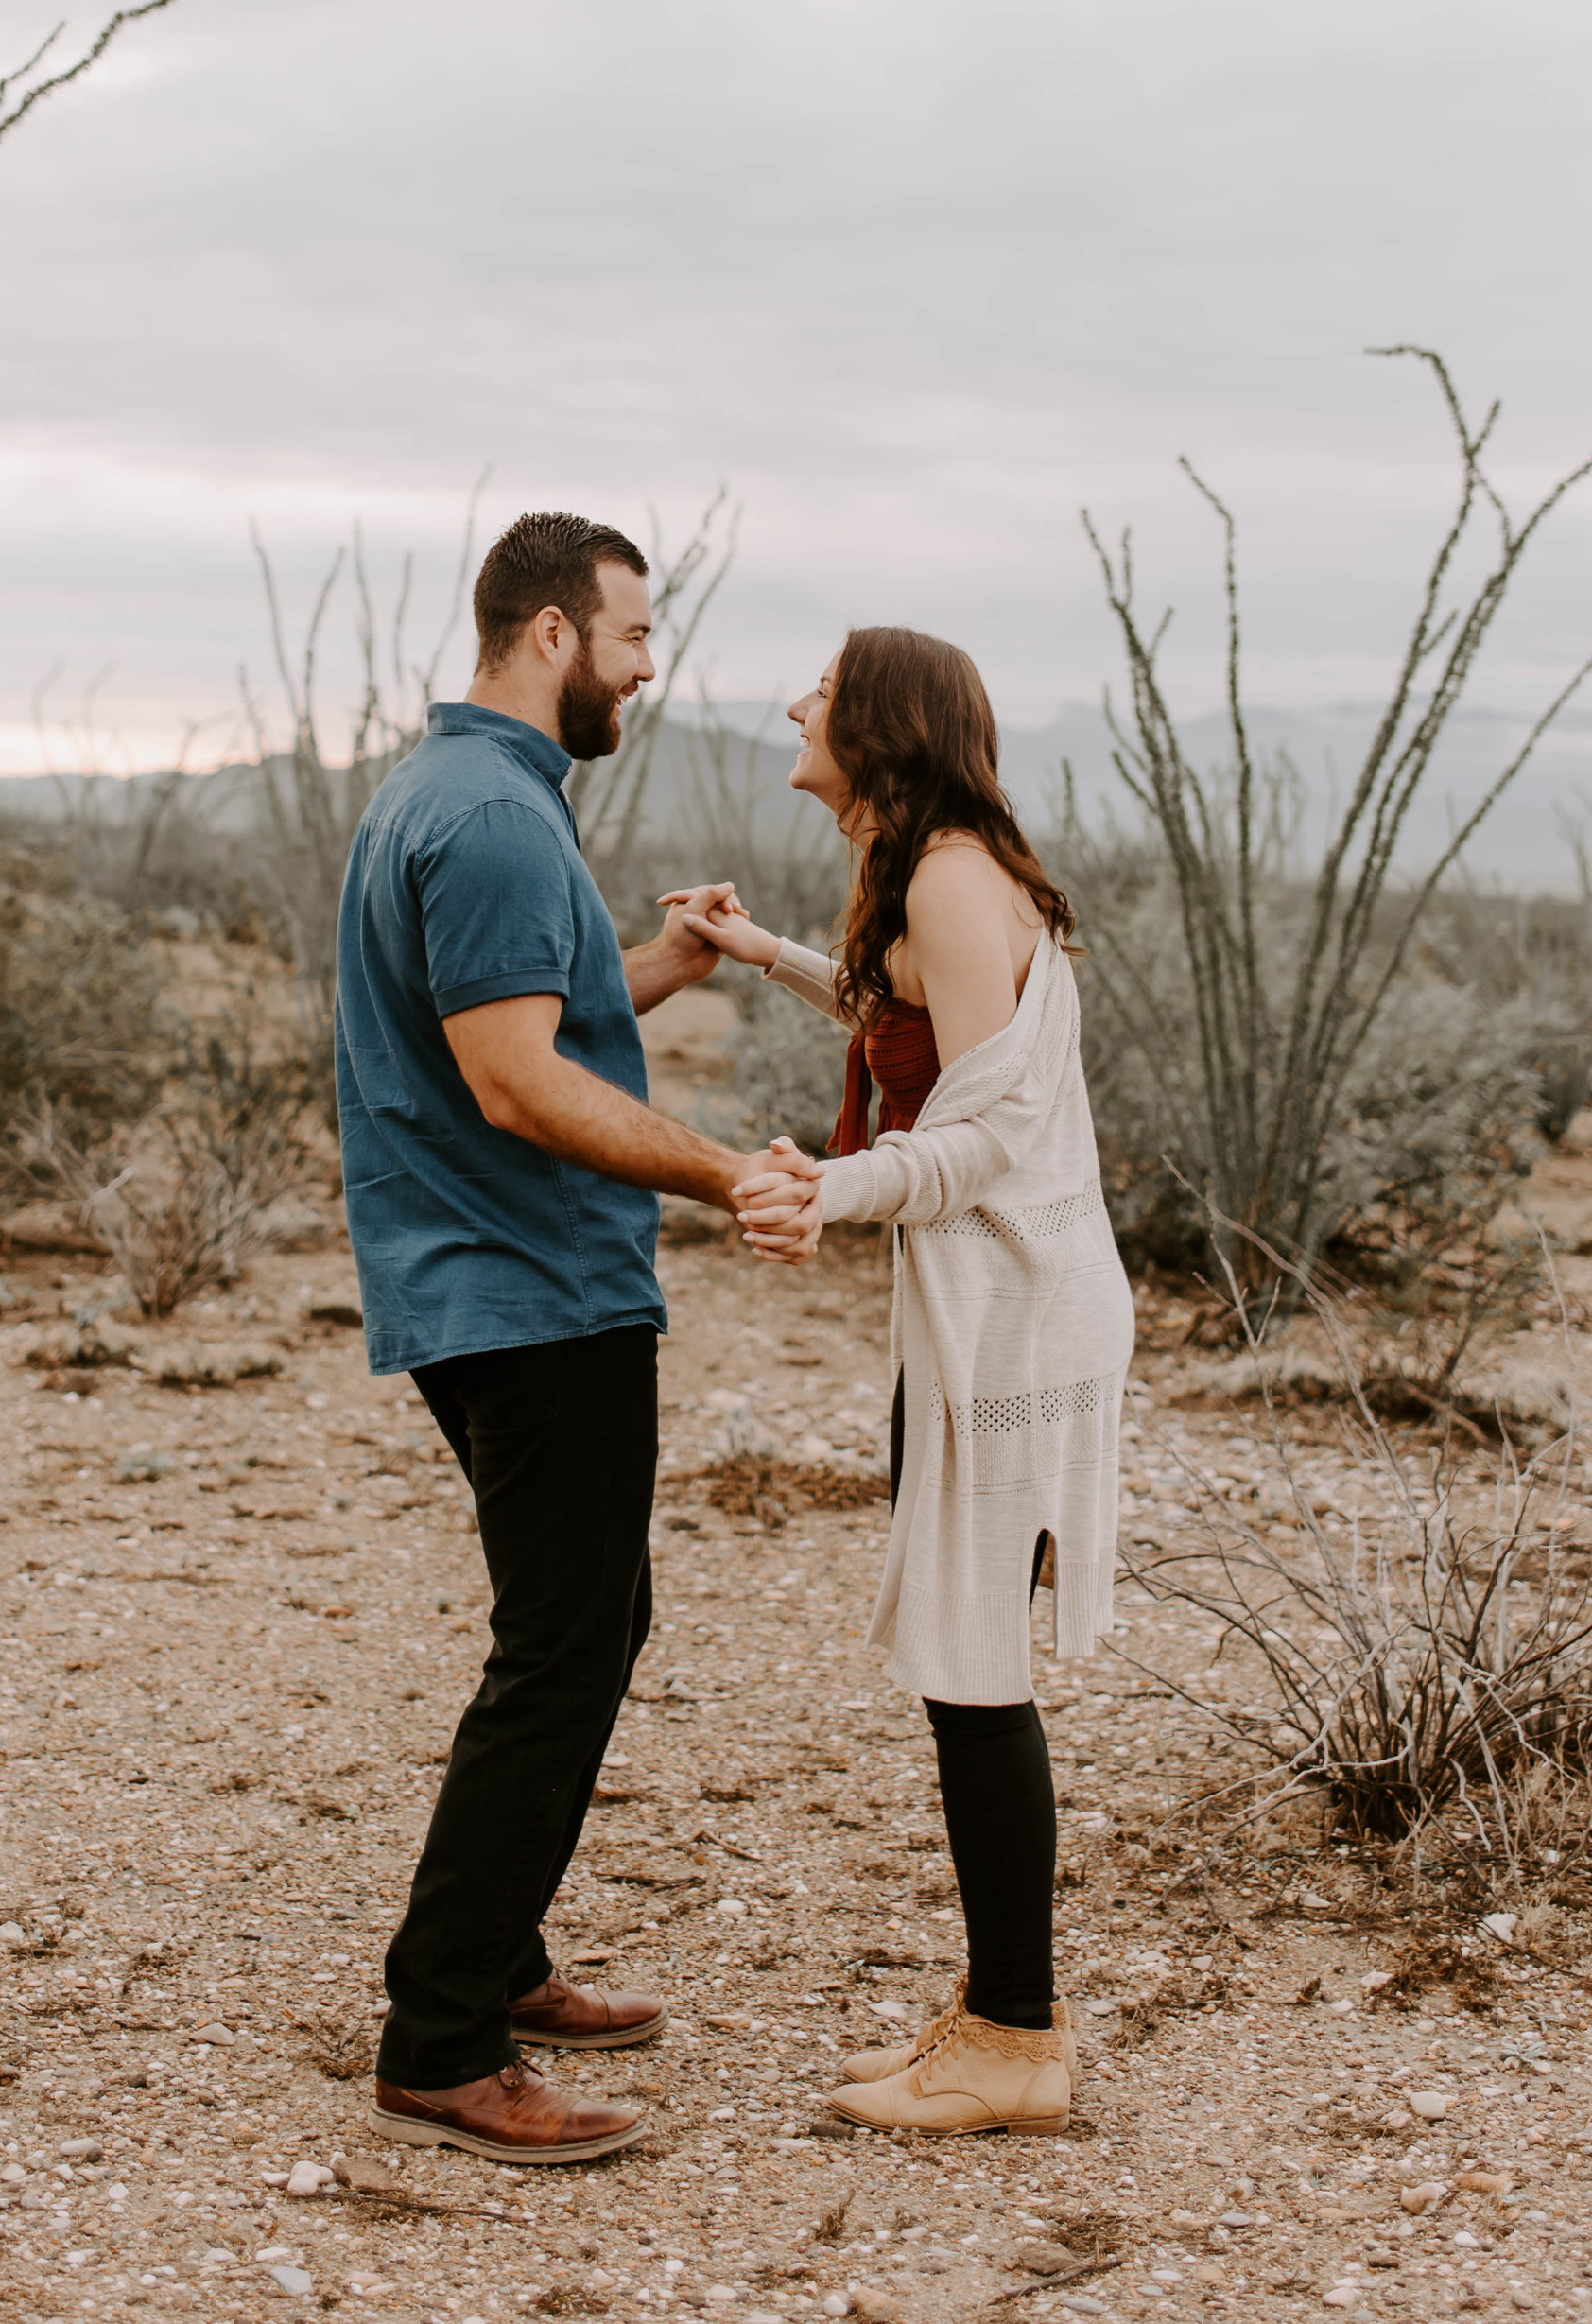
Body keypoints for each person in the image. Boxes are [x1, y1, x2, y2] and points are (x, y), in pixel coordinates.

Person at [335, 509, 790, 2169]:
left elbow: (528, 1012)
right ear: (549, 634)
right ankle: (442, 2033)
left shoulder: (455, 792)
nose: (649, 666)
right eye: (634, 634)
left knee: (589, 1616)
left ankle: (500, 1961)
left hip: (489, 1285)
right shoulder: (497, 816)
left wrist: (661, 960)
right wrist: (728, 1169)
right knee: (564, 1644)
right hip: (529, 1290)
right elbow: (516, 1080)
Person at [683, 626, 1134, 2137]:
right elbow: (919, 1027)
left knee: (972, 1664)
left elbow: (984, 1132)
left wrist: (838, 1186)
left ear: (877, 725)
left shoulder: (949, 872)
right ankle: (1004, 2009)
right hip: (987, 1310)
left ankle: (1018, 2033)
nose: (796, 703)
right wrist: (767, 955)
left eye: (819, 687)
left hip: (1012, 1319)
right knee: (964, 1656)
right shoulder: (936, 873)